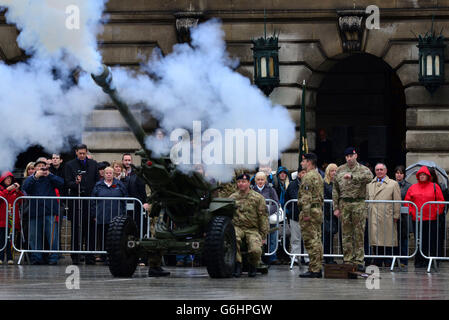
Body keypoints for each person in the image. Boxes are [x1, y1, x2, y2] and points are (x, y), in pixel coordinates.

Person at [333, 147, 373, 272]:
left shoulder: (363, 169)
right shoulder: (339, 169)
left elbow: (370, 177)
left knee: (359, 233)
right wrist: (336, 207)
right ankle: (348, 259)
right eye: (347, 156)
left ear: (356, 156)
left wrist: (353, 176)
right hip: (344, 203)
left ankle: (359, 260)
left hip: (358, 203)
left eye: (351, 155)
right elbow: (335, 189)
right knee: (346, 234)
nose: (349, 158)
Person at [22, 158, 64, 265]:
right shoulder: (31, 178)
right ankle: (37, 258)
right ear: (35, 168)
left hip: (49, 211)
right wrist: (35, 177)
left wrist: (49, 175)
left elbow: (61, 183)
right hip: (34, 212)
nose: (41, 167)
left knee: (52, 237)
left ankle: (54, 258)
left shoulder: (50, 177)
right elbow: (25, 187)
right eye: (39, 166)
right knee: (34, 237)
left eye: (43, 166)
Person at [64, 144, 99, 265]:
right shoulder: (70, 165)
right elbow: (67, 182)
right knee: (76, 229)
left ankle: (90, 256)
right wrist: (75, 183)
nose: (82, 155)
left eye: (84, 153)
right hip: (77, 201)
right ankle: (76, 256)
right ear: (76, 152)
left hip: (89, 201)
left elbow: (97, 182)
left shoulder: (93, 164)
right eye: (80, 153)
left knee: (90, 229)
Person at [404, 166, 445, 268]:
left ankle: (430, 261)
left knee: (430, 240)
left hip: (431, 219)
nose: (422, 177)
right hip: (417, 219)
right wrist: (412, 212)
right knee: (418, 240)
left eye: (424, 175)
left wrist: (436, 212)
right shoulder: (413, 187)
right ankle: (419, 261)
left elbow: (441, 202)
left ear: (428, 176)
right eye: (420, 175)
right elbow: (407, 202)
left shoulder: (435, 186)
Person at [229, 173, 268, 277]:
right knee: (234, 239)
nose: (241, 184)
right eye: (239, 182)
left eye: (243, 182)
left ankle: (253, 264)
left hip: (252, 229)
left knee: (256, 249)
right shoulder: (232, 198)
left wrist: (263, 235)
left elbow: (263, 217)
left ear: (249, 183)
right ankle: (238, 264)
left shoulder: (258, 198)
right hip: (237, 227)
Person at [366, 163, 401, 267]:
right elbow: (366, 199)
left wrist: (396, 215)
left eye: (381, 169)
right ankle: (377, 259)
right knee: (375, 239)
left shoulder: (393, 184)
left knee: (388, 239)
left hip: (387, 216)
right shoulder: (370, 184)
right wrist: (366, 213)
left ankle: (388, 260)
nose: (379, 172)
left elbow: (397, 200)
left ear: (385, 171)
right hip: (373, 215)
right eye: (377, 170)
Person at [91, 166, 128, 264]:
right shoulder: (98, 185)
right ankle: (104, 256)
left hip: (117, 218)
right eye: (106, 173)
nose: (108, 175)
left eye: (110, 173)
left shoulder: (119, 185)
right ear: (103, 174)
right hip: (102, 216)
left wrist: (124, 214)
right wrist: (94, 214)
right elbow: (93, 201)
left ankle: (114, 257)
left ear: (113, 174)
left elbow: (125, 200)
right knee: (103, 237)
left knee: (115, 238)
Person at [297, 153, 324, 278]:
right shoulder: (318, 175)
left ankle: (314, 269)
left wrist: (306, 213)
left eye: (303, 161)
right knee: (317, 240)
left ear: (309, 162)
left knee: (311, 241)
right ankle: (316, 267)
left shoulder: (308, 177)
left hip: (310, 212)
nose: (301, 163)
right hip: (317, 210)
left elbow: (306, 197)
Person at [252, 171, 280, 265]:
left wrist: (267, 212)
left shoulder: (271, 189)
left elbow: (276, 203)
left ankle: (272, 257)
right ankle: (259, 256)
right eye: (258, 179)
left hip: (269, 215)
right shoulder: (252, 190)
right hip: (256, 217)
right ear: (255, 181)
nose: (260, 181)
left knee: (273, 236)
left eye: (262, 179)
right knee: (257, 237)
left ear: (265, 180)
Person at [285, 169, 309, 265]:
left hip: (308, 215)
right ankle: (295, 257)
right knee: (295, 238)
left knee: (307, 237)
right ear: (298, 174)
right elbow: (293, 196)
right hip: (295, 214)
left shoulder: (310, 183)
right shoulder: (293, 184)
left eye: (306, 172)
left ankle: (307, 258)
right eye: (303, 172)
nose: (304, 174)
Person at [0, 172, 24, 265]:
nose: (9, 180)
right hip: (2, 220)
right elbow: (1, 197)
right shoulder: (1, 189)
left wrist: (18, 191)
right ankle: (1, 258)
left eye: (10, 178)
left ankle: (10, 258)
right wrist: (7, 190)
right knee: (1, 240)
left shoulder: (15, 191)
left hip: (12, 220)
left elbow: (22, 200)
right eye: (7, 178)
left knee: (11, 240)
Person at [394, 165, 412, 267]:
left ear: (404, 174)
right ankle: (395, 260)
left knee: (404, 239)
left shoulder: (409, 186)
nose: (399, 175)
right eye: (397, 173)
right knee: (394, 239)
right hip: (393, 216)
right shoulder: (391, 184)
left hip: (404, 217)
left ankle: (403, 261)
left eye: (400, 173)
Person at [323, 163, 338, 264]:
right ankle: (327, 258)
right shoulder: (325, 183)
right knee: (326, 236)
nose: (334, 173)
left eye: (336, 170)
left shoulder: (338, 183)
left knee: (332, 236)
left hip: (335, 213)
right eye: (332, 171)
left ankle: (330, 257)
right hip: (326, 213)